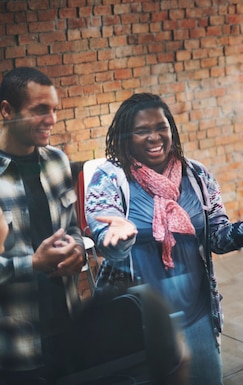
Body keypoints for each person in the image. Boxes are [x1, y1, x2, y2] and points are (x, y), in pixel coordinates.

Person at [84, 92, 243, 385]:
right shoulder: (110, 178)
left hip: (195, 314)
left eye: (161, 127)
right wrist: (116, 236)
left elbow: (218, 238)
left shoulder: (197, 176)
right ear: (126, 137)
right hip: (138, 320)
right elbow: (104, 227)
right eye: (142, 130)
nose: (154, 137)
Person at [0, 67, 86, 383]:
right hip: (15, 349)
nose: (51, 119)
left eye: (54, 110)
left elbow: (74, 229)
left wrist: (77, 249)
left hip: (68, 334)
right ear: (7, 110)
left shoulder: (57, 162)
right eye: (39, 110)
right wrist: (33, 264)